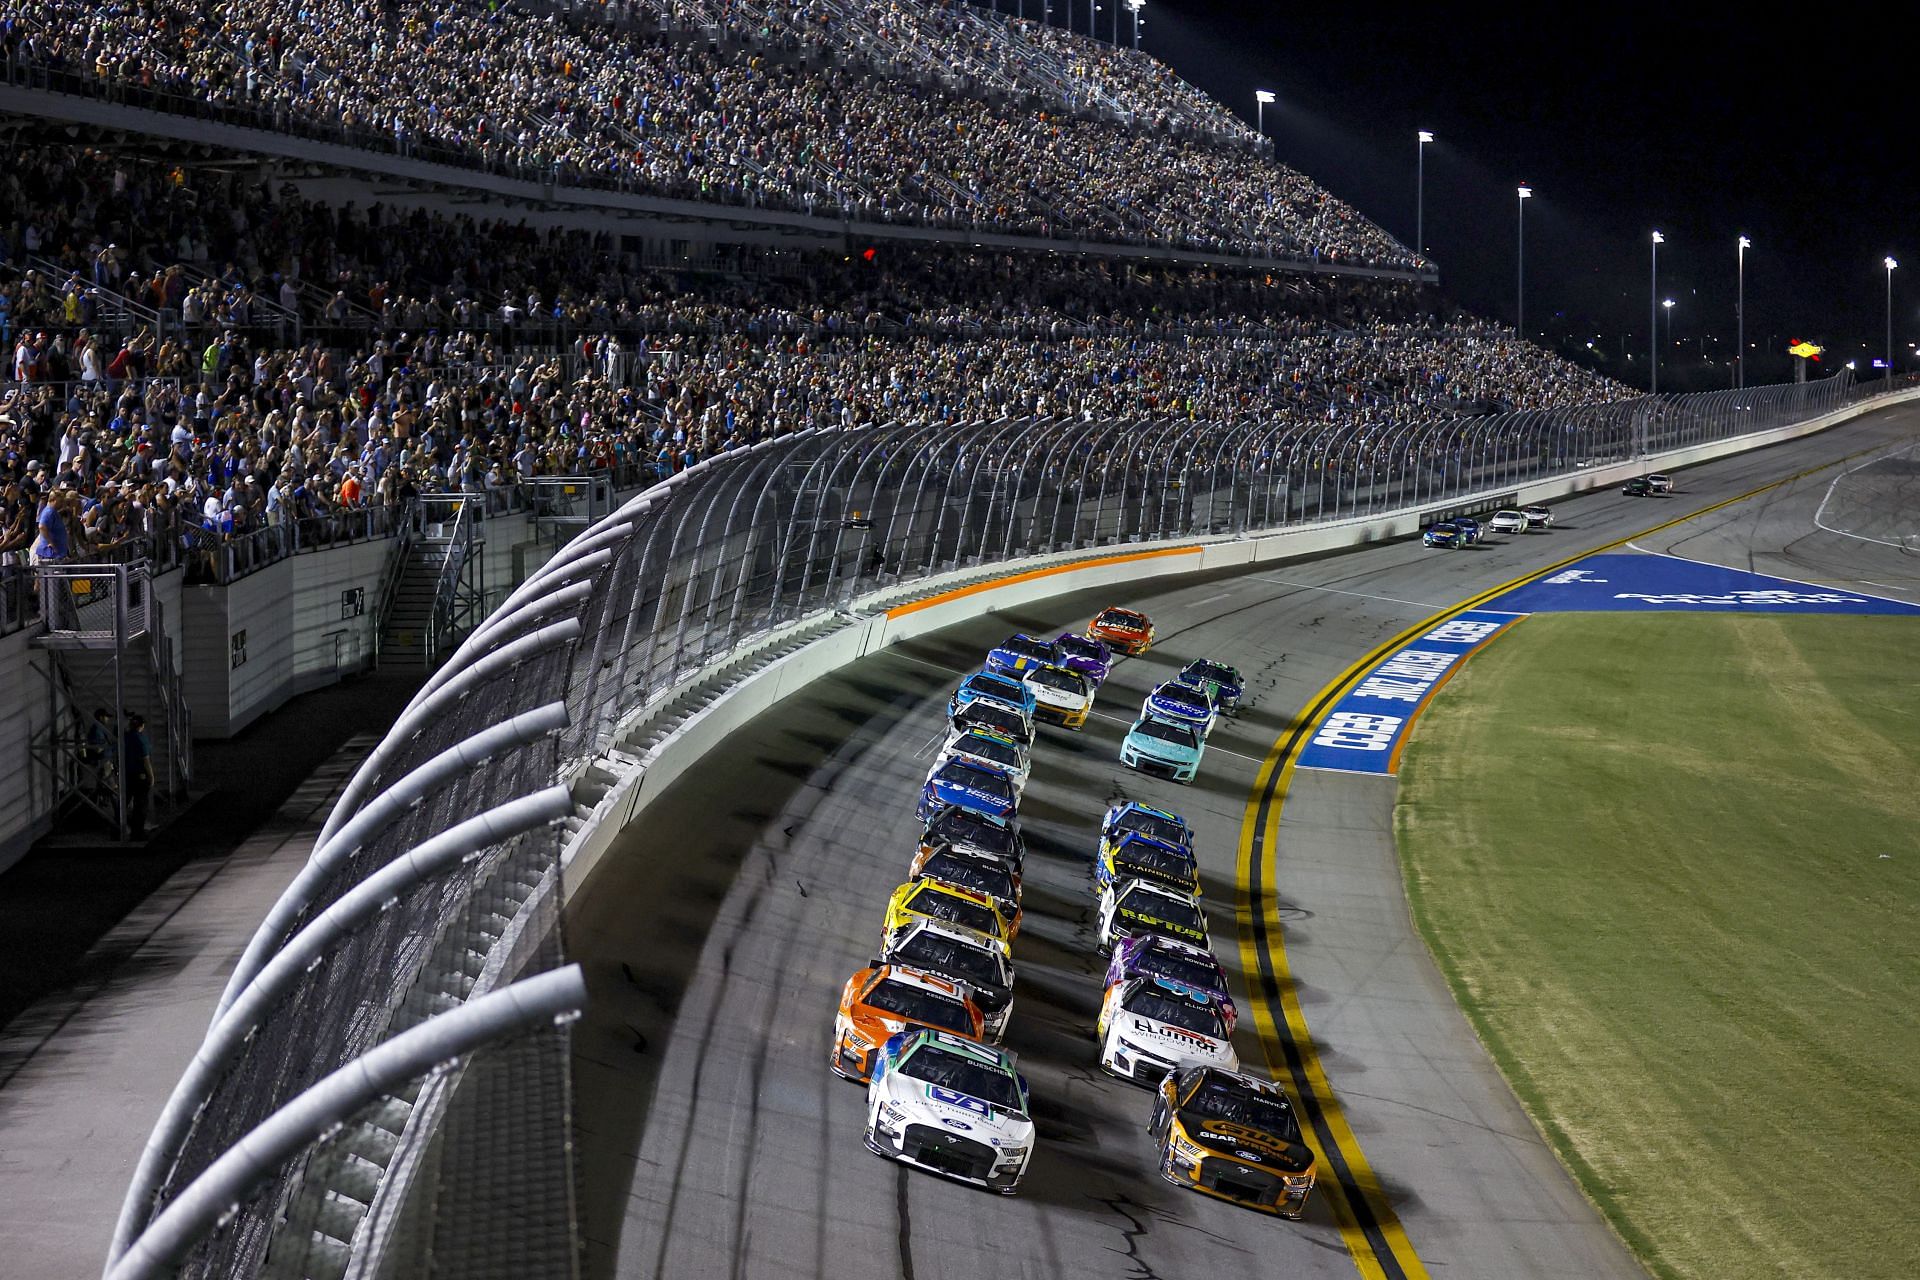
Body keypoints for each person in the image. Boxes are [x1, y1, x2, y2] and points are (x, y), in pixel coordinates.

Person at [122, 713, 153, 839]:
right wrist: (151, 776)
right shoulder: (141, 739)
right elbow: (146, 760)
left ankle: (118, 828)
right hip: (140, 776)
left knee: (124, 802)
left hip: (127, 774)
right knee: (140, 805)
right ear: (142, 725)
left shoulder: (125, 737)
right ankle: (137, 832)